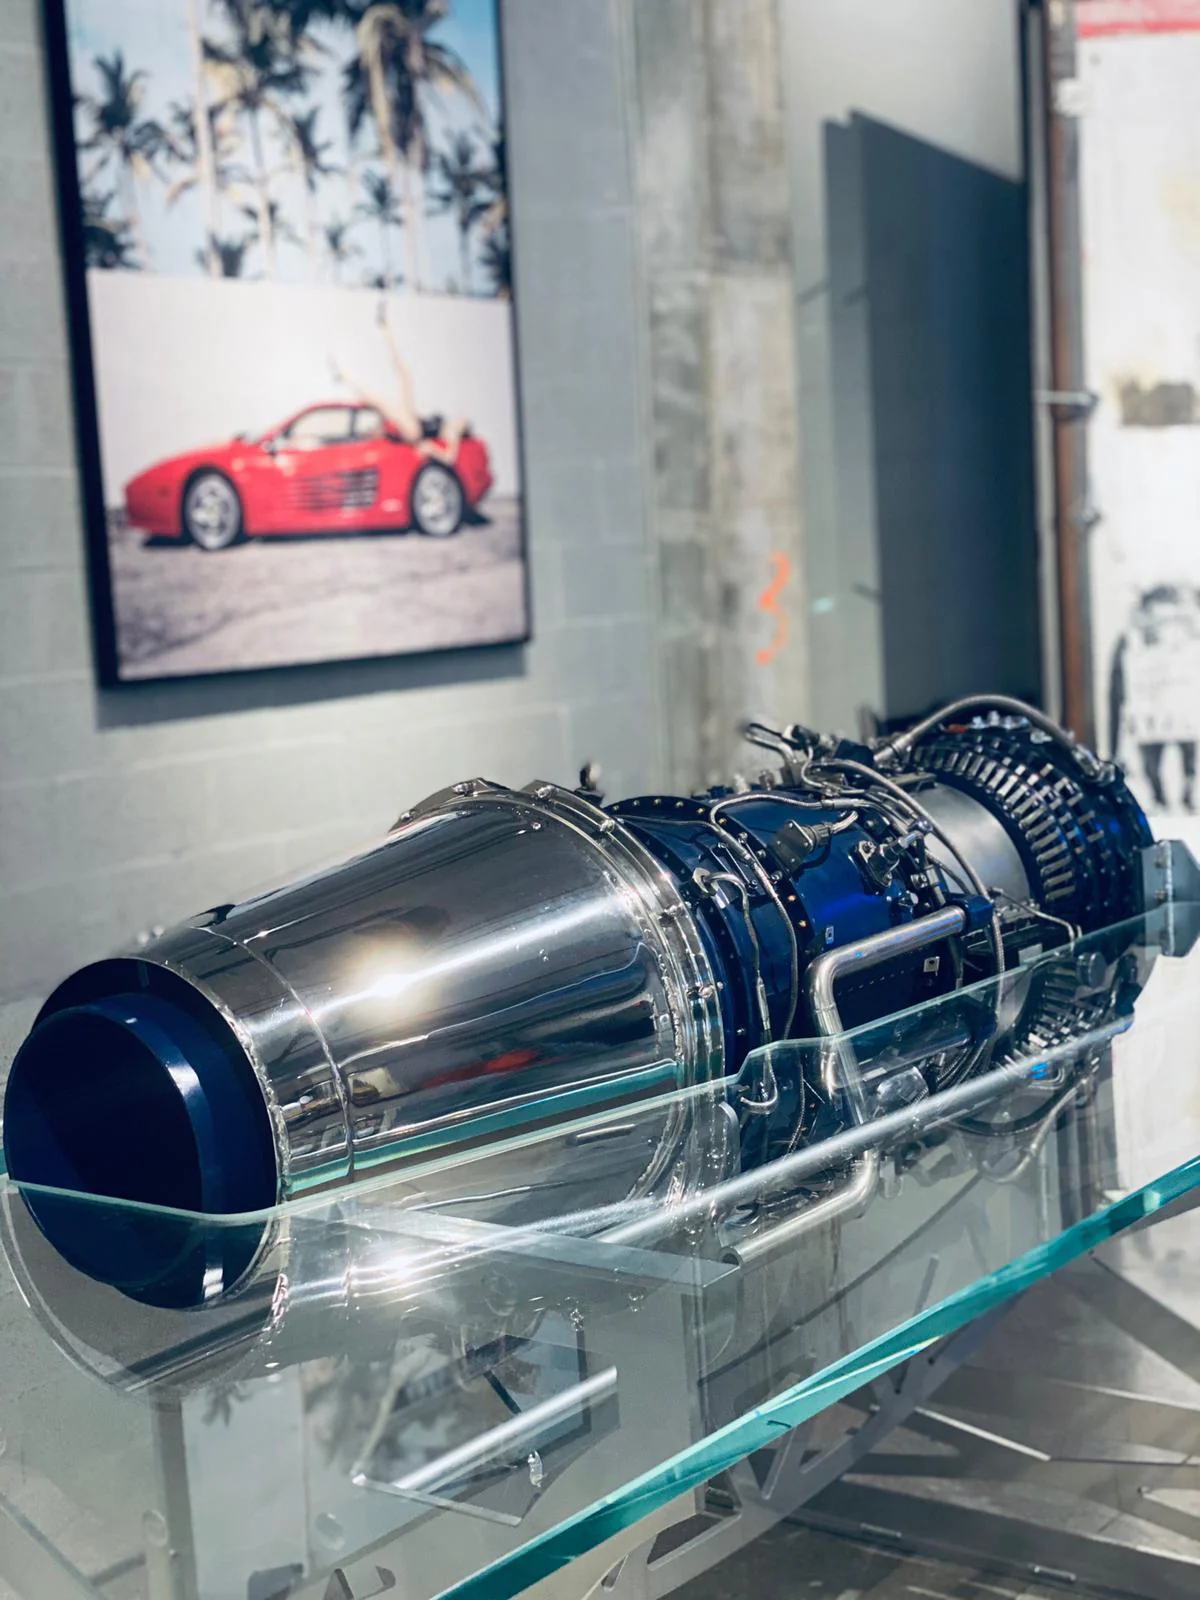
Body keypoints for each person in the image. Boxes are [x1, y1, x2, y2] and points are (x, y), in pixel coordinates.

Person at [331, 300, 467, 466]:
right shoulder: (447, 424)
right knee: (405, 377)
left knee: (381, 403)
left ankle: (343, 377)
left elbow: (449, 458)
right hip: (414, 421)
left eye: (461, 423)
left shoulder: (452, 435)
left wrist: (431, 449)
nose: (460, 419)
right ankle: (384, 328)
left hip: (415, 433)